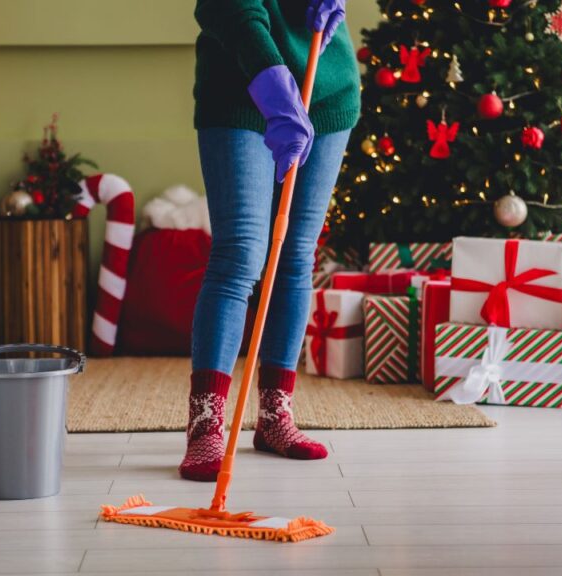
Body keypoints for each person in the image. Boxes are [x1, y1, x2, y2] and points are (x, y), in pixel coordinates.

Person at [180, 0, 359, 481]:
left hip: (325, 82)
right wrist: (271, 81)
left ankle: (275, 415)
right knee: (240, 253)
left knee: (296, 254)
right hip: (242, 81)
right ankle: (206, 424)